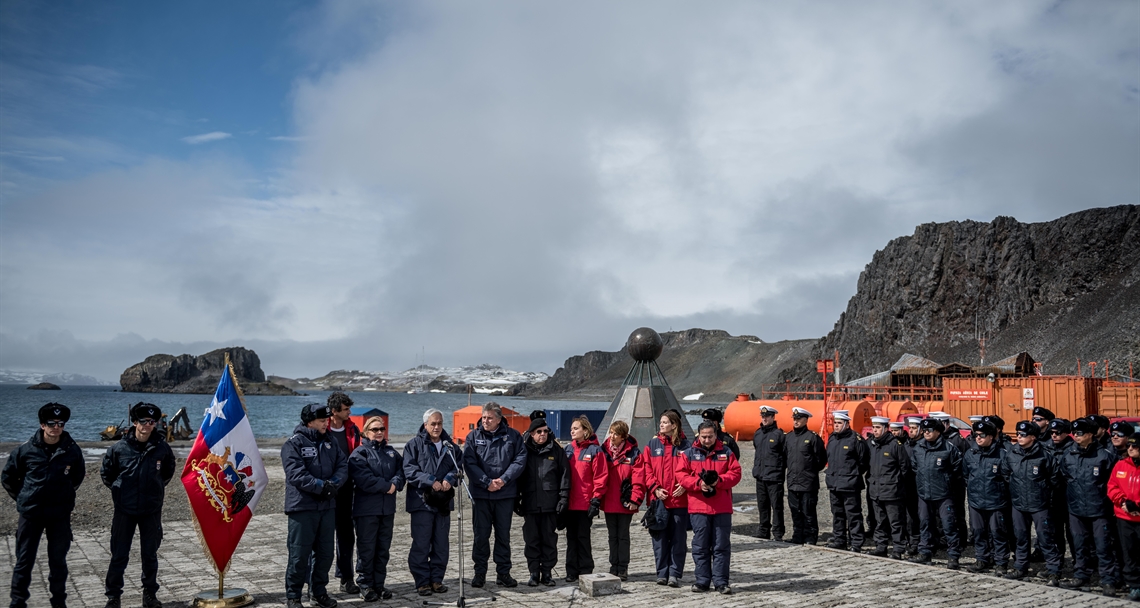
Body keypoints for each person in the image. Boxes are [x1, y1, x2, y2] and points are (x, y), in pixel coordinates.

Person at [3, 403, 86, 608]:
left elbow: (77, 476)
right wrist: (24, 497)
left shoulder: (72, 450)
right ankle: (17, 602)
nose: (56, 427)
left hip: (59, 515)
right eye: (51, 423)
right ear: (42, 425)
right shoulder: (25, 450)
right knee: (24, 560)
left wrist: (64, 496)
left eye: (60, 423)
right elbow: (8, 477)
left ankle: (58, 602)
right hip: (31, 514)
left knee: (58, 561)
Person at [101, 403, 177, 608]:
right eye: (142, 421)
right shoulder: (119, 448)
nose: (146, 425)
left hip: (150, 509)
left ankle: (150, 595)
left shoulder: (162, 448)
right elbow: (107, 474)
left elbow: (168, 471)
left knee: (150, 555)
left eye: (151, 422)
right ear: (135, 422)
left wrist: (156, 489)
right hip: (124, 510)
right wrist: (119, 492)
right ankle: (113, 597)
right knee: (119, 555)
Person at [282, 403, 347, 608]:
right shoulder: (293, 444)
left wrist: (333, 485)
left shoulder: (331, 442)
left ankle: (318, 592)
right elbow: (296, 474)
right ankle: (293, 596)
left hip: (326, 507)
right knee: (299, 554)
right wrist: (321, 487)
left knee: (325, 553)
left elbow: (342, 465)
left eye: (327, 420)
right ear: (310, 421)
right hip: (303, 508)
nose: (326, 424)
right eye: (322, 421)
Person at [463, 402, 527, 588]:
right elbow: (469, 462)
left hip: (505, 495)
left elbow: (520, 460)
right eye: (484, 417)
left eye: (490, 418)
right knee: (480, 536)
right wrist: (486, 482)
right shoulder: (473, 436)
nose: (486, 421)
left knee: (503, 536)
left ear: (499, 419)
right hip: (481, 495)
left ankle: (503, 573)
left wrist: (504, 479)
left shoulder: (513, 436)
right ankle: (480, 573)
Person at [677, 421, 742, 595]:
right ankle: (702, 580)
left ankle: (721, 582)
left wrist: (719, 481)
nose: (707, 440)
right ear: (699, 435)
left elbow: (736, 473)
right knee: (700, 546)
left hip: (721, 507)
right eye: (704, 436)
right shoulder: (689, 453)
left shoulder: (726, 452)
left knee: (721, 546)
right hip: (699, 507)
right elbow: (681, 475)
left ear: (715, 435)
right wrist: (698, 484)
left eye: (710, 436)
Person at [1058, 417, 1120, 595]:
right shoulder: (1069, 454)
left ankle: (1108, 580)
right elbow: (1064, 476)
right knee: (1080, 545)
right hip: (1076, 508)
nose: (1076, 436)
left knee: (1103, 546)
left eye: (1080, 433)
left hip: (1099, 508)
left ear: (1091, 434)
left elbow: (1113, 481)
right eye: (1075, 433)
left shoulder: (1105, 455)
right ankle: (1081, 575)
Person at [403, 409, 461, 597]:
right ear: (425, 424)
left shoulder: (451, 447)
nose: (437, 427)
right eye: (433, 424)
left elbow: (458, 467)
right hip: (422, 502)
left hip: (443, 502)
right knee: (421, 543)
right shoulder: (414, 445)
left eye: (440, 423)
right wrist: (430, 480)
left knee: (441, 543)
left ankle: (436, 579)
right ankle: (422, 582)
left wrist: (450, 478)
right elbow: (410, 471)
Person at [348, 416, 404, 602]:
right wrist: (387, 486)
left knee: (382, 549)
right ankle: (365, 585)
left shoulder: (391, 452)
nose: (379, 432)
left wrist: (395, 483)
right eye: (375, 429)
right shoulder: (359, 453)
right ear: (365, 432)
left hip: (387, 509)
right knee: (367, 549)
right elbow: (364, 479)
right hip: (366, 510)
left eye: (382, 429)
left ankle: (379, 584)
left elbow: (401, 472)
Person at [1000, 420, 1061, 584]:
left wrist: (1043, 492)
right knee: (1021, 537)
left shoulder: (1044, 455)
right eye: (1018, 434)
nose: (1019, 437)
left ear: (1033, 437)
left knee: (1045, 538)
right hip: (1019, 503)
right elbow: (1006, 474)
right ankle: (1020, 567)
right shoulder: (1012, 454)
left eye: (1023, 435)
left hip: (1039, 504)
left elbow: (1054, 479)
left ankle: (1054, 570)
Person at [517, 415, 569, 587]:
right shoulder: (524, 451)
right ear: (532, 434)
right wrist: (515, 499)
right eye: (539, 432)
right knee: (531, 540)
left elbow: (564, 476)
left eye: (545, 431)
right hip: (530, 503)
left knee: (549, 540)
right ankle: (533, 572)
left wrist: (563, 498)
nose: (543, 434)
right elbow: (518, 476)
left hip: (550, 503)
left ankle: (547, 572)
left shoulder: (557, 451)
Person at [643, 410, 691, 586]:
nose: (661, 425)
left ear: (674, 425)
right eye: (661, 422)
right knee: (659, 539)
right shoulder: (652, 444)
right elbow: (646, 469)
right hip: (659, 502)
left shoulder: (686, 446)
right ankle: (662, 573)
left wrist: (686, 485)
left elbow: (693, 469)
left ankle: (675, 574)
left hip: (679, 501)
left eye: (665, 422)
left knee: (678, 540)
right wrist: (655, 488)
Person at [909, 418, 963, 569]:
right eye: (924, 430)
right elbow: (915, 467)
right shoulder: (919, 448)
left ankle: (953, 556)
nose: (926, 433)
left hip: (944, 494)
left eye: (929, 430)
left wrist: (947, 482)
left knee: (949, 525)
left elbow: (957, 469)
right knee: (925, 523)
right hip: (924, 493)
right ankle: (925, 552)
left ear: (938, 432)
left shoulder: (949, 448)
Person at [962, 420, 1010, 574]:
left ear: (991, 436)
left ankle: (1001, 562)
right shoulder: (971, 453)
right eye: (976, 435)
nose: (978, 438)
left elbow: (1008, 477)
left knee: (998, 532)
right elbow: (965, 475)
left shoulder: (1002, 454)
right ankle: (982, 559)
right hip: (976, 501)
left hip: (996, 501)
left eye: (982, 435)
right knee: (978, 531)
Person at [326, 392, 362, 594]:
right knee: (321, 538)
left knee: (347, 536)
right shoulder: (322, 429)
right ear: (334, 411)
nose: (350, 412)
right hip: (325, 490)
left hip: (347, 489)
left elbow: (357, 454)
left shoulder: (353, 429)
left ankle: (346, 578)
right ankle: (315, 583)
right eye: (346, 409)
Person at [564, 416, 608, 582]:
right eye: (572, 428)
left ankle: (585, 569)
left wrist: (596, 499)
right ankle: (571, 571)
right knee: (571, 538)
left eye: (576, 428)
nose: (572, 431)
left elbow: (601, 477)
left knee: (583, 538)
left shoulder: (595, 451)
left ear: (585, 431)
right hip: (570, 502)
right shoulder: (568, 450)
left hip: (585, 503)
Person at [600, 420, 644, 581]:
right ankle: (614, 565)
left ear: (623, 436)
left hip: (625, 500)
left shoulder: (634, 453)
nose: (612, 436)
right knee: (613, 536)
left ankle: (623, 567)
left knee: (623, 535)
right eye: (611, 432)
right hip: (609, 499)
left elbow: (639, 479)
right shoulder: (603, 451)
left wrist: (635, 499)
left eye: (616, 434)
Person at [825, 410, 869, 552]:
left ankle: (856, 543)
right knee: (837, 514)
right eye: (835, 423)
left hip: (850, 484)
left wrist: (852, 474)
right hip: (834, 483)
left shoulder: (855, 440)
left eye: (839, 423)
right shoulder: (832, 438)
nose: (836, 426)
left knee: (853, 515)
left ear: (846, 423)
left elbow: (863, 462)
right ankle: (840, 540)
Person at [866, 416, 909, 559]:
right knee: (880, 521)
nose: (875, 430)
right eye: (873, 428)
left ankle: (898, 549)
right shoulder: (872, 444)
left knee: (896, 522)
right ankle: (881, 547)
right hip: (876, 490)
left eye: (878, 428)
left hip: (892, 491)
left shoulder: (895, 445)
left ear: (885, 428)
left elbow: (905, 468)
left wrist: (896, 483)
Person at [784, 406, 826, 545]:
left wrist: (809, 471)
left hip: (808, 483)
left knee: (808, 511)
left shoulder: (813, 438)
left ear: (806, 420)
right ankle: (797, 536)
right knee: (795, 511)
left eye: (799, 419)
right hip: (792, 482)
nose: (796, 421)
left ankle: (810, 537)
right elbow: (785, 457)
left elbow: (821, 460)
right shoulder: (788, 437)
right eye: (794, 419)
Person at [1107, 436, 1140, 601]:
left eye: (1135, 446)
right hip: (1125, 517)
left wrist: (1137, 505)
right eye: (1130, 446)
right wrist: (1122, 502)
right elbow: (1112, 486)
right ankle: (1134, 585)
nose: (1131, 449)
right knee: (1129, 553)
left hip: (1137, 514)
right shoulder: (1121, 465)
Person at [930, 411, 969, 544]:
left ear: (946, 424)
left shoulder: (956, 439)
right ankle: (942, 538)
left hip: (955, 483)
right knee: (940, 515)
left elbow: (963, 462)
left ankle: (961, 539)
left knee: (957, 512)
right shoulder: (935, 440)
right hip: (940, 484)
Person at [751, 405, 786, 542]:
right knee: (762, 505)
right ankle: (763, 531)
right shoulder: (758, 434)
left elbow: (785, 455)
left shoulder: (779, 435)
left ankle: (778, 533)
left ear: (773, 417)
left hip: (774, 477)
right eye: (763, 416)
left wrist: (779, 470)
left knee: (777, 506)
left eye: (767, 416)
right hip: (760, 476)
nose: (764, 419)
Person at [1045, 418, 1075, 562]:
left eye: (1058, 432)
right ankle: (1057, 562)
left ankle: (1078, 562)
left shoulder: (1073, 449)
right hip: (1052, 496)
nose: (1054, 435)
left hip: (1069, 496)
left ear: (1066, 433)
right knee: (1054, 532)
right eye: (1051, 432)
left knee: (1073, 533)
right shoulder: (1046, 447)